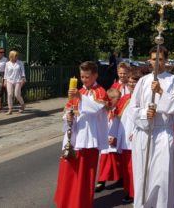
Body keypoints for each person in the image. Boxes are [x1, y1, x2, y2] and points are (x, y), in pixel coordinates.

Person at [130, 46, 174, 208]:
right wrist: (144, 114)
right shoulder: (142, 81)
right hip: (144, 133)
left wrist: (161, 92)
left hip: (162, 132)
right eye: (154, 59)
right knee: (143, 175)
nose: (156, 63)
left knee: (161, 176)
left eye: (160, 60)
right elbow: (133, 109)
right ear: (150, 60)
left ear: (166, 61)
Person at [54, 61, 110, 208]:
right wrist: (68, 117)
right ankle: (66, 202)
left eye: (87, 76)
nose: (84, 80)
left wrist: (79, 96)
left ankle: (81, 203)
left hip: (89, 139)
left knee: (84, 175)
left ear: (95, 75)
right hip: (74, 139)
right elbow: (67, 109)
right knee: (69, 172)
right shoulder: (79, 91)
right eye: (82, 76)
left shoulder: (101, 92)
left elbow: (95, 109)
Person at [115, 68, 142, 204]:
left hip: (137, 139)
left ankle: (134, 193)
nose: (131, 84)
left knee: (134, 168)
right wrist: (113, 135)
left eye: (135, 82)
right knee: (126, 168)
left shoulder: (143, 99)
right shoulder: (125, 98)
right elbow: (117, 119)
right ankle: (128, 190)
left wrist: (137, 131)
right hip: (124, 139)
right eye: (130, 82)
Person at [95, 88, 122, 193]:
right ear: (111, 99)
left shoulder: (119, 111)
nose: (120, 101)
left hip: (116, 140)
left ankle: (121, 177)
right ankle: (101, 181)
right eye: (118, 99)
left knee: (118, 161)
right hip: (106, 140)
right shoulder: (103, 111)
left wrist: (117, 138)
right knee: (105, 162)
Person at [4, 50, 26, 115]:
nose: (16, 57)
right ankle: (10, 109)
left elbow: (22, 71)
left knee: (17, 95)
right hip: (9, 80)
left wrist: (23, 78)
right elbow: (6, 73)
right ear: (11, 56)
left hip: (18, 80)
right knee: (10, 94)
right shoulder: (7, 63)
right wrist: (5, 80)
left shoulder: (20, 63)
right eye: (15, 56)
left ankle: (22, 105)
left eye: (17, 56)